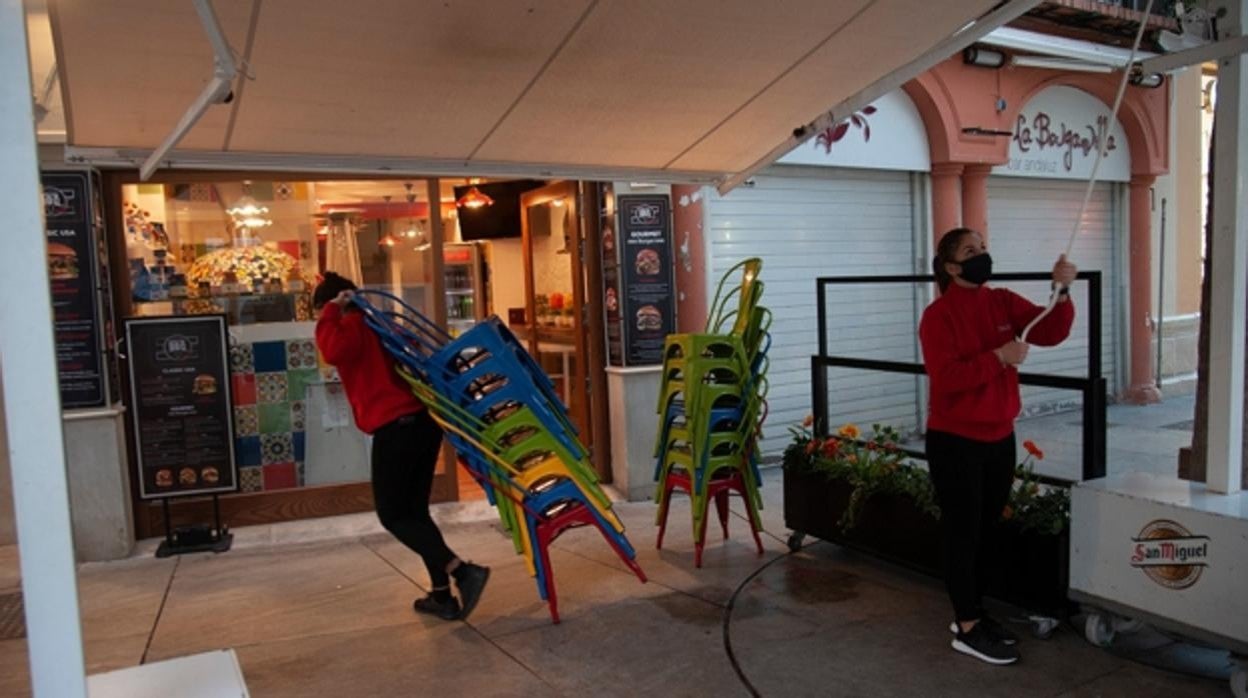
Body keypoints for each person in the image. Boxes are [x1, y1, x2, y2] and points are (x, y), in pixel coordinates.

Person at [918, 228, 1077, 666]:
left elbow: (1050, 331)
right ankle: (967, 627)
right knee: (962, 532)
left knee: (986, 530)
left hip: (998, 437)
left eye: (984, 248)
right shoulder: (938, 316)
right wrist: (998, 359)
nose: (982, 256)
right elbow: (946, 379)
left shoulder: (1002, 301)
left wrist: (1061, 290)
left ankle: (973, 613)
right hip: (955, 441)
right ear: (951, 266)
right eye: (971, 251)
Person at [314, 272, 489, 621]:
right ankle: (441, 596)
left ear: (335, 303)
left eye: (320, 309)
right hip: (420, 423)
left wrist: (331, 312)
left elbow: (331, 351)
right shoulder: (381, 324)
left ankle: (462, 573)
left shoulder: (352, 326)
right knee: (415, 513)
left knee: (393, 515)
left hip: (396, 427)